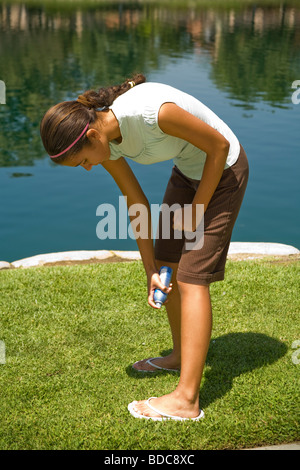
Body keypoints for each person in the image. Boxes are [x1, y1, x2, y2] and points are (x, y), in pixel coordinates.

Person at [40, 73, 249, 421]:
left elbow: (219, 147)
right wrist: (151, 269)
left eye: (84, 162)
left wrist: (197, 210)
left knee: (192, 278)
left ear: (91, 135)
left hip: (223, 170)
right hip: (188, 170)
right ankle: (181, 356)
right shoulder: (105, 141)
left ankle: (187, 400)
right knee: (169, 262)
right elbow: (136, 203)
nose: (90, 168)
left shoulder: (153, 112)